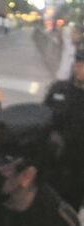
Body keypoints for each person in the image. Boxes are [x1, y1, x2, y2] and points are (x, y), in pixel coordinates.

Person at [43, 44, 84, 210]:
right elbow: (42, 118)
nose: (80, 68)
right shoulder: (59, 89)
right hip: (49, 168)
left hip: (76, 174)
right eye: (79, 62)